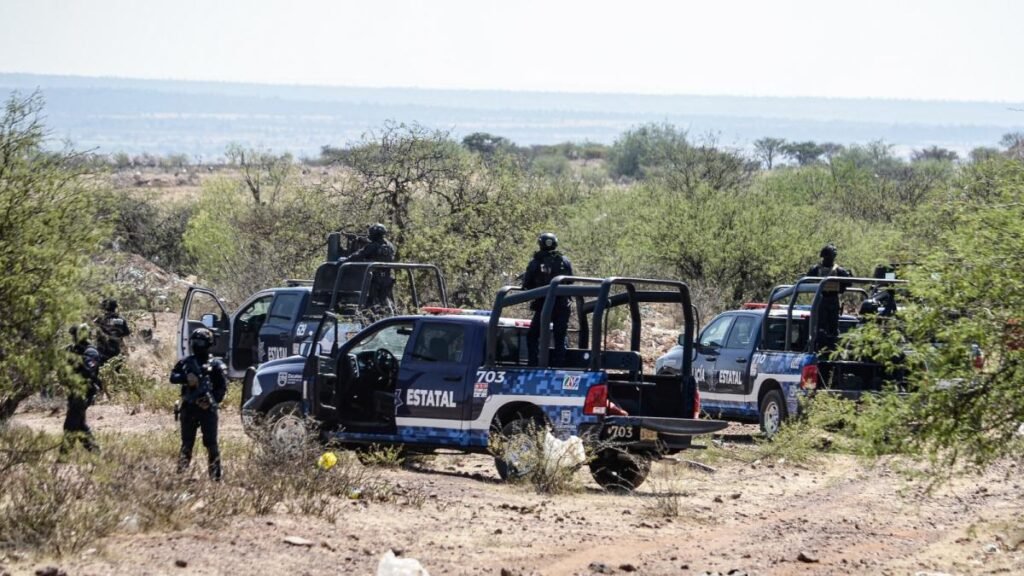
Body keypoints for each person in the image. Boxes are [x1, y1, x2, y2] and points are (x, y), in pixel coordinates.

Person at [170, 327, 228, 480]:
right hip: (189, 408)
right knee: (187, 444)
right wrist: (186, 378)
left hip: (207, 410)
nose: (198, 345)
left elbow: (222, 388)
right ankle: (180, 476)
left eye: (201, 342)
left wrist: (211, 401)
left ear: (208, 344)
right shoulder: (186, 362)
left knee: (211, 445)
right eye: (195, 341)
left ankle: (215, 479)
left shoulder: (214, 365)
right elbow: (173, 377)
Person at [523, 232, 574, 366]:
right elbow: (571, 281)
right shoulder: (565, 261)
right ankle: (560, 365)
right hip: (563, 305)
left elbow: (526, 284)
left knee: (533, 336)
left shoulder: (536, 262)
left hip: (544, 305)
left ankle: (533, 363)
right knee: (560, 336)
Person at [61, 323, 102, 456]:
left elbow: (89, 372)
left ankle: (64, 455)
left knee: (70, 424)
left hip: (84, 392)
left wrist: (75, 362)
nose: (74, 338)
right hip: (72, 391)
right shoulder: (70, 350)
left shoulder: (90, 351)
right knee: (79, 425)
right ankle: (96, 452)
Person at [806, 244, 853, 350]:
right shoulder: (815, 269)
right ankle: (819, 347)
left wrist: (842, 286)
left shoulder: (839, 270)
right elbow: (807, 280)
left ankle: (832, 348)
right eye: (828, 256)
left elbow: (849, 282)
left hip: (832, 300)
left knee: (833, 328)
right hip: (821, 299)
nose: (830, 259)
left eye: (831, 256)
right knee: (820, 327)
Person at [348, 223, 397, 314]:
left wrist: (346, 260)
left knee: (371, 301)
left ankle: (371, 316)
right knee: (385, 299)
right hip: (387, 278)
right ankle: (391, 313)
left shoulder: (373, 245)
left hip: (375, 278)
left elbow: (359, 254)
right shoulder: (390, 246)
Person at [94, 298, 131, 365]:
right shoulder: (121, 320)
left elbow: (93, 333)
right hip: (117, 351)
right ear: (115, 307)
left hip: (102, 352)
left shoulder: (99, 319)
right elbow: (126, 335)